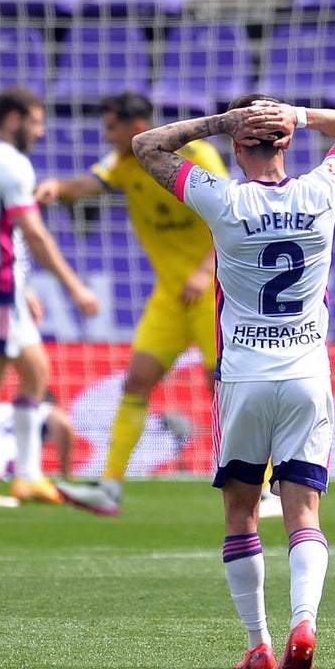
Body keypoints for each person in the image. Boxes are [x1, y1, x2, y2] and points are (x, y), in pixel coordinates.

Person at [131, 94, 335, 669]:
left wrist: (219, 123)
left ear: (237, 146)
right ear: (284, 142)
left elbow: (146, 146)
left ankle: (259, 642)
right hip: (307, 375)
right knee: (304, 513)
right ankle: (305, 623)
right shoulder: (322, 192)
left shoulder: (224, 201)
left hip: (243, 375)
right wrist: (303, 116)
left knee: (241, 512)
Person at [36, 91, 281, 518]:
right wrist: (57, 188)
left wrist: (205, 269)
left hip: (214, 292)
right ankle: (109, 486)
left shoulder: (197, 155)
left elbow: (234, 215)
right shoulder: (123, 164)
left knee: (227, 390)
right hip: (169, 298)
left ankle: (264, 491)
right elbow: (84, 187)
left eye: (111, 127)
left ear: (135, 126)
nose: (106, 136)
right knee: (136, 383)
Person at [0, 85, 99, 508]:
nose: (42, 131)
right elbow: (32, 232)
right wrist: (74, 286)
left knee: (12, 379)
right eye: (36, 122)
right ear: (14, 119)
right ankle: (9, 478)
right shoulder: (13, 165)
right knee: (27, 375)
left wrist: (26, 284)